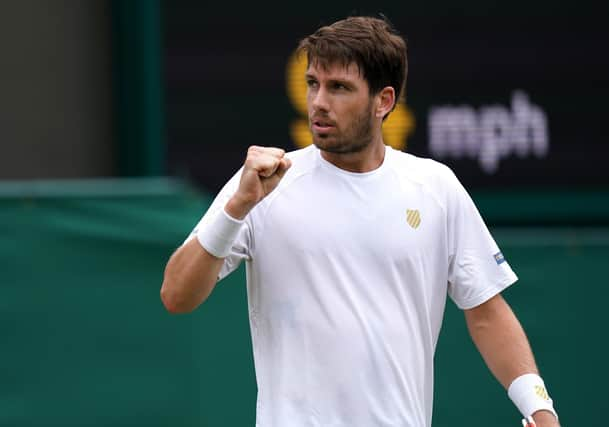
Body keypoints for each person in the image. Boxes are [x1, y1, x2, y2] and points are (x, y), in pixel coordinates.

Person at [161, 15, 560, 427]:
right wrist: (236, 208)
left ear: (383, 101)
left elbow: (486, 312)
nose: (318, 101)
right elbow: (176, 294)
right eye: (313, 83)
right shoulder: (262, 184)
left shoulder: (436, 187)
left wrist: (538, 407)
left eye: (339, 88)